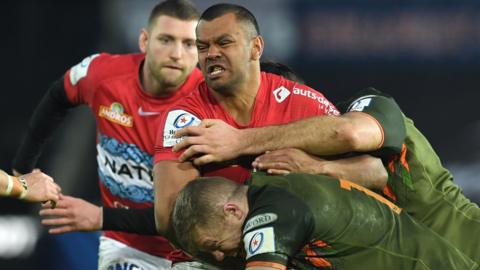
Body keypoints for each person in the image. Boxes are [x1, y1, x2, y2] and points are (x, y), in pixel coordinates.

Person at [174, 87, 480, 263]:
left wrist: (239, 141)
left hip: (464, 236)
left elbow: (355, 142)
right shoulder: (290, 177)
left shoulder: (371, 107)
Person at [13, 1, 204, 269]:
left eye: (189, 44)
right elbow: (58, 96)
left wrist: (100, 217)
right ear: (144, 40)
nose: (176, 54)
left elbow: (178, 218)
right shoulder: (102, 74)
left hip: (190, 254)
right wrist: (23, 169)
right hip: (123, 246)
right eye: (166, 40)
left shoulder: (211, 107)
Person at [151, 4, 349, 236]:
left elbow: (373, 172)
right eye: (203, 47)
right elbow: (168, 218)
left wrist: (316, 167)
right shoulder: (187, 119)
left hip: (295, 251)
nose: (211, 54)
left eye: (224, 43)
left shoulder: (304, 102)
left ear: (256, 48)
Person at [171, 174, 479, 270]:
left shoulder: (272, 214)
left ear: (233, 211)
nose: (220, 255)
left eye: (214, 245)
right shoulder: (278, 192)